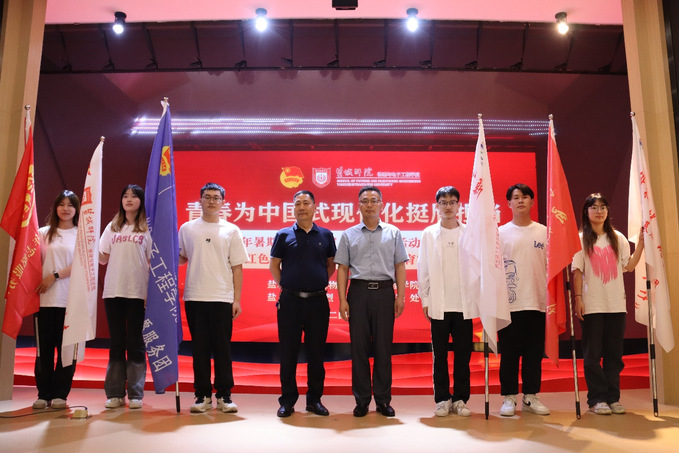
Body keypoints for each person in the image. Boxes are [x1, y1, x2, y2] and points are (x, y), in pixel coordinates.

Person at [335, 186, 408, 417]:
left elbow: (400, 266)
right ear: (358, 205)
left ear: (381, 205)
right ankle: (362, 400)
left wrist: (401, 296)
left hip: (385, 293)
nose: (369, 205)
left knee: (383, 348)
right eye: (365, 201)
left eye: (374, 200)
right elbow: (342, 268)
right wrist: (342, 300)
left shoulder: (393, 233)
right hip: (358, 293)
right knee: (359, 349)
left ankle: (383, 400)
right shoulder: (348, 234)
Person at [179, 182, 249, 414]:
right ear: (200, 200)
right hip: (195, 296)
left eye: (216, 198)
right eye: (207, 197)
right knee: (199, 349)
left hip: (221, 297)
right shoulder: (187, 228)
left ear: (222, 202)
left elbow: (237, 267)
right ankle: (202, 395)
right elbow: (181, 257)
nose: (211, 201)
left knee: (222, 349)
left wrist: (236, 299)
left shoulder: (231, 230)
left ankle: (224, 395)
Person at [572, 193, 644, 415]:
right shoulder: (580, 238)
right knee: (592, 355)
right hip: (592, 305)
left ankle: (613, 398)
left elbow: (628, 266)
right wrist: (578, 298)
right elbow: (577, 271)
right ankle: (597, 399)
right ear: (586, 211)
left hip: (615, 306)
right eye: (594, 207)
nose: (599, 211)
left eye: (603, 207)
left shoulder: (618, 238)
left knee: (614, 355)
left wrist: (641, 244)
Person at [270, 190, 336, 418]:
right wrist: (286, 285)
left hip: (318, 301)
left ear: (315, 207)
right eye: (297, 203)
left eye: (306, 203)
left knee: (316, 354)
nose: (301, 207)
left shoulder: (325, 235)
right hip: (290, 302)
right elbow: (274, 265)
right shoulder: (283, 235)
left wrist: (318, 282)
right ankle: (287, 401)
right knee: (288, 353)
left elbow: (331, 265)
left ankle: (314, 400)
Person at [417, 186, 473, 417]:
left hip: (464, 305)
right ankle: (442, 399)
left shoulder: (469, 232)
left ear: (459, 205)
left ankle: (460, 399)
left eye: (452, 202)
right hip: (439, 304)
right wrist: (425, 299)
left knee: (463, 356)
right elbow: (423, 268)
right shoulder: (429, 234)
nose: (448, 207)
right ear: (437, 206)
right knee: (439, 356)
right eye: (443, 202)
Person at [497, 183, 550, 416]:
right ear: (508, 203)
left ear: (532, 202)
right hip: (510, 304)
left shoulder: (544, 232)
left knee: (533, 354)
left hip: (537, 301)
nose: (520, 200)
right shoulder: (500, 233)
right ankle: (509, 397)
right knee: (509, 354)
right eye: (516, 197)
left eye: (525, 197)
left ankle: (530, 396)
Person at [99, 184, 152, 409]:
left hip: (138, 292)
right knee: (117, 342)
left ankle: (136, 394)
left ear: (141, 201)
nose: (129, 199)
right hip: (113, 291)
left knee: (136, 342)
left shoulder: (147, 228)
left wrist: (150, 294)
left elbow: (152, 262)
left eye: (134, 196)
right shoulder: (113, 226)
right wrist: (88, 242)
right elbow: (102, 258)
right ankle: (115, 393)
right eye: (125, 196)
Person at [32, 190, 80, 410]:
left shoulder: (81, 235)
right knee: (44, 351)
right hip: (44, 301)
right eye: (61, 204)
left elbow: (80, 264)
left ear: (76, 209)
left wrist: (54, 276)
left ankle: (61, 394)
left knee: (66, 352)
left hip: (70, 302)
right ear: (55, 208)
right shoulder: (42, 233)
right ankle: (44, 393)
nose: (65, 209)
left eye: (70, 205)